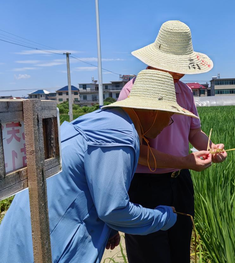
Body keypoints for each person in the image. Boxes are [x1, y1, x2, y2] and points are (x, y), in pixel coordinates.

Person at [0, 69, 211, 263]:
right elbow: (114, 210)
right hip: (47, 243)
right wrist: (164, 217)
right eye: (169, 117)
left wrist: (109, 229)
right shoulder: (121, 137)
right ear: (153, 112)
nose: (168, 124)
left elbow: (92, 184)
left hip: (29, 233)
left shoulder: (107, 122)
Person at [118, 20, 228, 263]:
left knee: (180, 251)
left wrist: (210, 147)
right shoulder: (132, 92)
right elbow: (139, 152)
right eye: (176, 66)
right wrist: (185, 161)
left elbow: (193, 133)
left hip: (179, 183)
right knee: (149, 254)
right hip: (145, 185)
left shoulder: (184, 91)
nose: (182, 72)